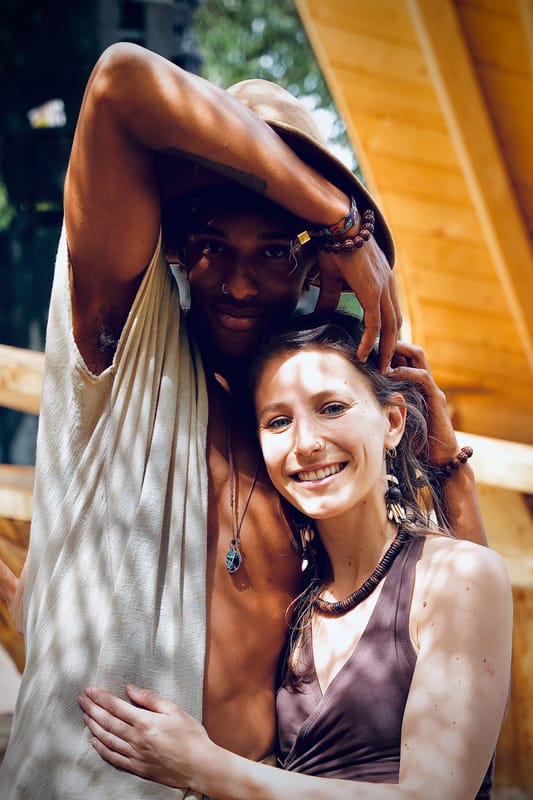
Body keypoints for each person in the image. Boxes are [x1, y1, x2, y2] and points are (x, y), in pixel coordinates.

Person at [0, 42, 486, 798]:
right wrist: (338, 219)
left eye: (273, 251)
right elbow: (121, 82)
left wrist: (446, 460)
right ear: (176, 246)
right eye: (211, 245)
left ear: (312, 268)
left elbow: (458, 622)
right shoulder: (127, 350)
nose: (238, 282)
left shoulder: (297, 439)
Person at [78, 312, 512, 799]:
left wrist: (202, 765)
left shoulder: (457, 575)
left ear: (392, 421)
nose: (306, 444)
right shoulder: (296, 597)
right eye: (279, 421)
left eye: (332, 408)